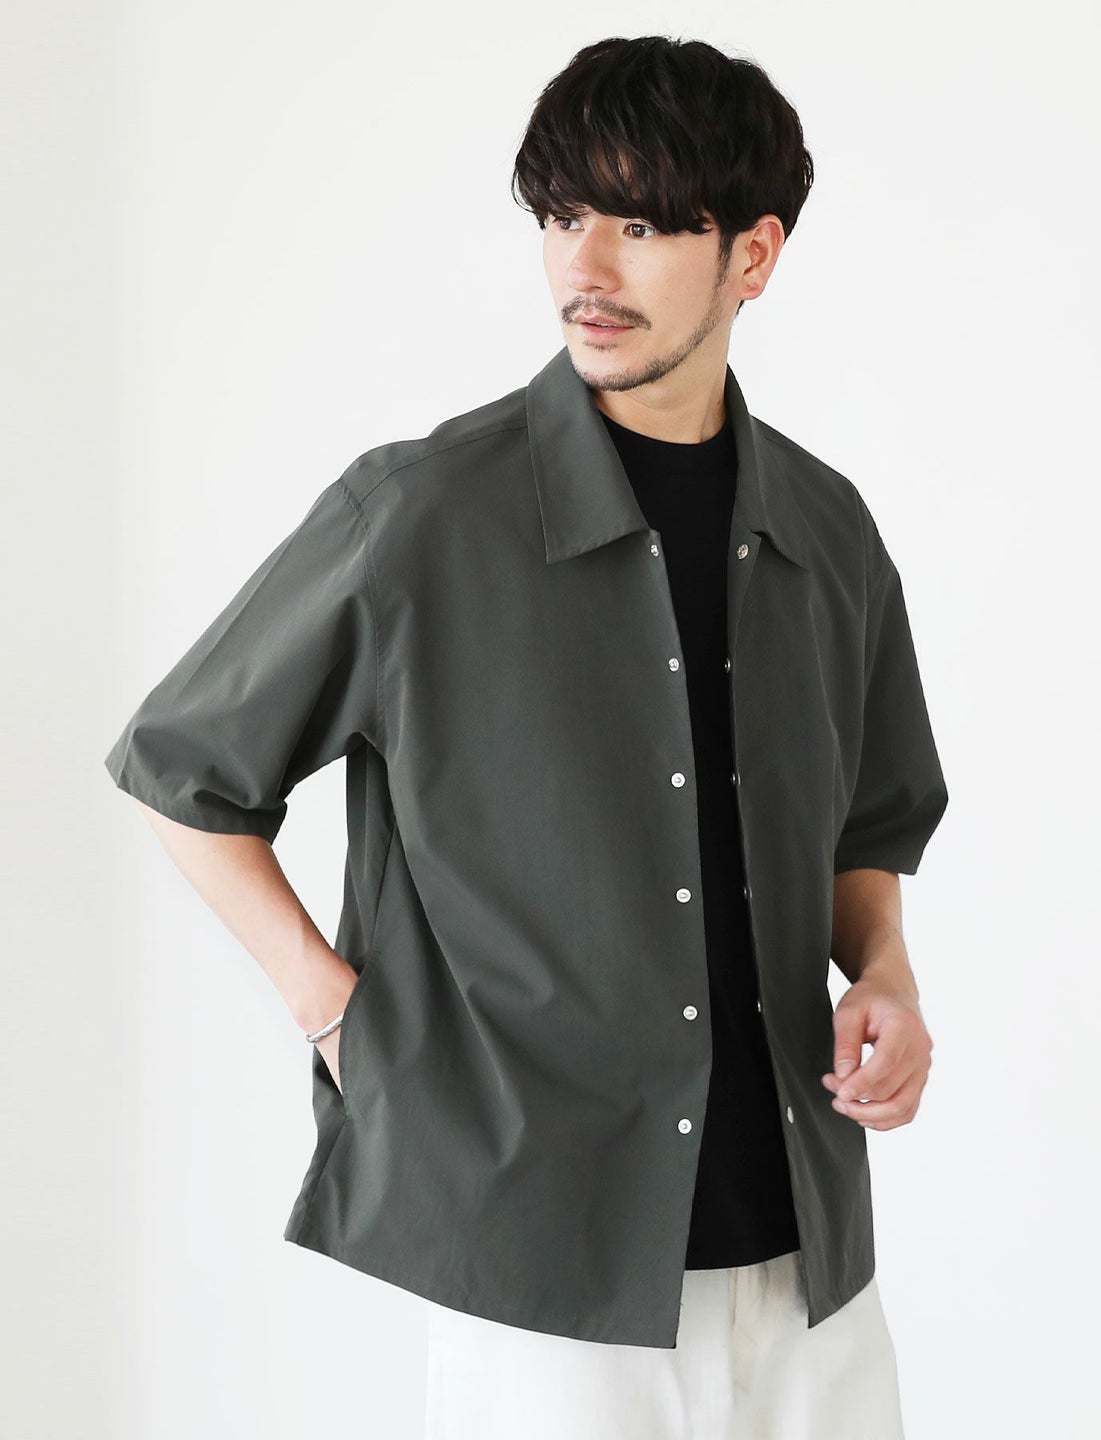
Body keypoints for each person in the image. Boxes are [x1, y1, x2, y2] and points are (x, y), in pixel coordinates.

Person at [104, 34, 949, 1440]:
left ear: (753, 255)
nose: (585, 268)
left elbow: (869, 817)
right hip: (548, 1271)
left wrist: (889, 978)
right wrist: (336, 1016)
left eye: (642, 226)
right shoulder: (421, 513)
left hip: (810, 1271)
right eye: (563, 216)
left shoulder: (827, 528)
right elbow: (182, 771)